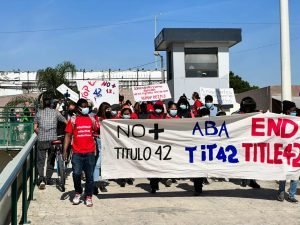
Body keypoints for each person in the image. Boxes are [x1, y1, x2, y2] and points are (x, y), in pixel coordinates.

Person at [63, 98, 99, 207]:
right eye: (83, 106)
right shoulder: (73, 120)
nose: (85, 108)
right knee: (76, 174)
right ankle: (78, 192)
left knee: (90, 177)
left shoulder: (92, 119)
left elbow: (99, 129)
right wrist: (65, 150)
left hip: (90, 152)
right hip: (77, 153)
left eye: (86, 106)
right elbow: (68, 136)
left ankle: (88, 196)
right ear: (78, 108)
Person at [34, 97, 67, 189]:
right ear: (52, 104)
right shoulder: (56, 112)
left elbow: (35, 128)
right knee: (51, 159)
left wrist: (40, 132)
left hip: (42, 139)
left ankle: (41, 179)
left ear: (43, 104)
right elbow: (66, 122)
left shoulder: (39, 113)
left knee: (41, 160)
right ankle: (48, 178)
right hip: (53, 140)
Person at [234, 97, 261, 189]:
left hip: (253, 142)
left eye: (249, 107)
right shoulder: (238, 114)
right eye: (246, 107)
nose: (248, 109)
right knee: (243, 162)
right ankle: (244, 179)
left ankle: (252, 181)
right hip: (241, 142)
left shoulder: (256, 114)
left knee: (253, 162)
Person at [277, 100, 299, 203]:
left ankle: (291, 195)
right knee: (283, 174)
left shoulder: (297, 120)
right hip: (283, 152)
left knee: (295, 174)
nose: (295, 111)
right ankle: (281, 193)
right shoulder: (280, 120)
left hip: (295, 152)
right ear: (287, 110)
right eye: (293, 110)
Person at [93, 102, 111, 194]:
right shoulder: (96, 118)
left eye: (110, 109)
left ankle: (102, 183)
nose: (109, 111)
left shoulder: (110, 118)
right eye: (107, 109)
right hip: (99, 140)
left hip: (108, 141)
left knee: (105, 162)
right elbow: (95, 128)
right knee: (98, 162)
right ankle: (95, 183)